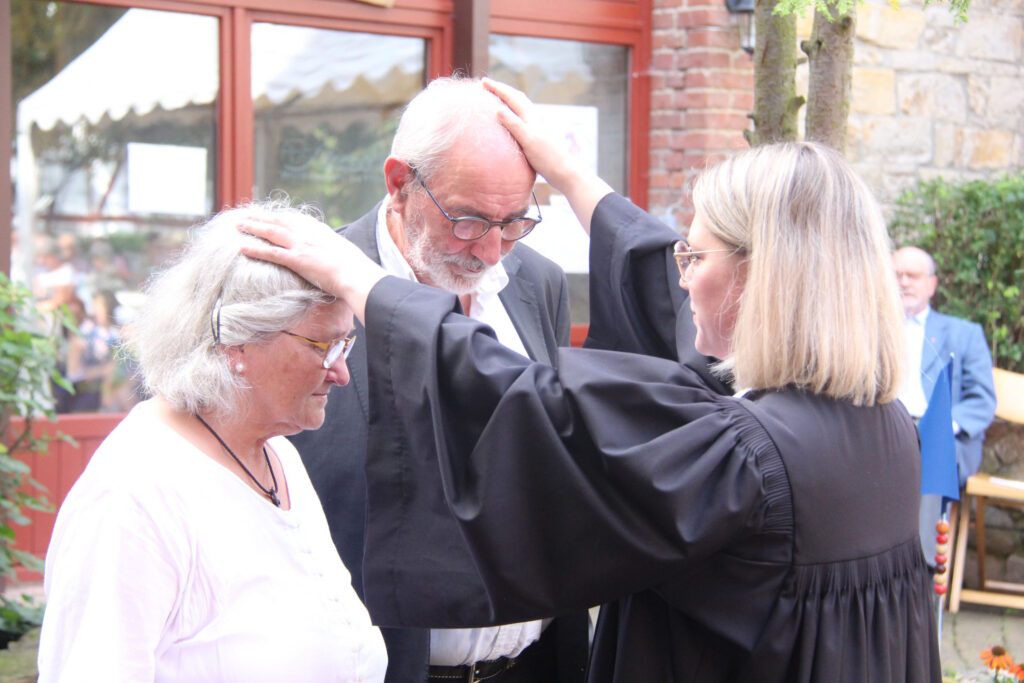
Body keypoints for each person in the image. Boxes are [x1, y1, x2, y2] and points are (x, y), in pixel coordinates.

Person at [240, 80, 942, 683]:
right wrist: (575, 178)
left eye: (693, 253)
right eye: (471, 219)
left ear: (766, 279)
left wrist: (370, 289)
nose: (682, 276)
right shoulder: (879, 428)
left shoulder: (745, 458)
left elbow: (534, 413)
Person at [287, 76, 591, 683]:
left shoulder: (539, 282)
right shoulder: (306, 288)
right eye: (469, 220)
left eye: (514, 222)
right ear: (398, 183)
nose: (491, 252)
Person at [37, 202, 387, 682]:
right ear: (235, 341)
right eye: (323, 346)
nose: (343, 372)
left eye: (346, 344)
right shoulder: (133, 498)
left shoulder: (273, 451)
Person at [893, 245, 997, 564]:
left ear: (932, 284)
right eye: (896, 275)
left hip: (942, 435)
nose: (904, 283)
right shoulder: (871, 332)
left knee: (929, 455)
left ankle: (920, 570)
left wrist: (940, 426)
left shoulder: (964, 334)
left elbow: (982, 399)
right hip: (886, 427)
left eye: (913, 276)